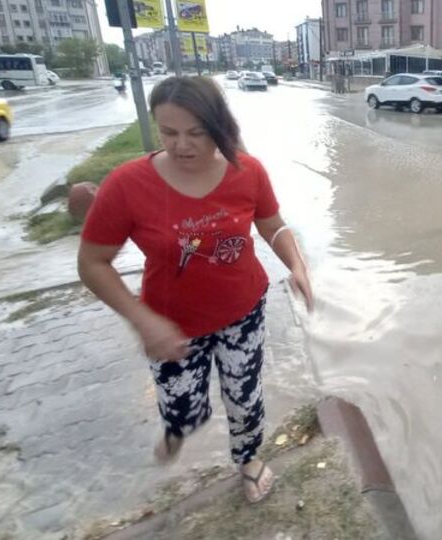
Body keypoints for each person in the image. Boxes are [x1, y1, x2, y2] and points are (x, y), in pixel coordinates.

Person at [77, 75, 313, 503]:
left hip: (243, 311)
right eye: (168, 132)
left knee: (245, 394)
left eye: (195, 133)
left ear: (218, 127)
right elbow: (92, 264)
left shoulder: (248, 170)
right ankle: (177, 428)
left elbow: (273, 227)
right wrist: (143, 320)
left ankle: (247, 458)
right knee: (183, 409)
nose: (181, 145)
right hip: (171, 326)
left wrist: (296, 264)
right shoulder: (127, 185)